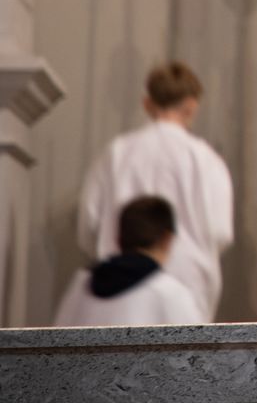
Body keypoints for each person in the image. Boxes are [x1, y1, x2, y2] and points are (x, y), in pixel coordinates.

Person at [77, 62, 234, 321]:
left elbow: (89, 224)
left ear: (147, 103)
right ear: (191, 106)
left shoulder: (116, 153)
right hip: (187, 285)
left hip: (121, 288)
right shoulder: (206, 160)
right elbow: (220, 232)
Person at [55, 195, 204, 326]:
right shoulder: (170, 293)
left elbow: (56, 339)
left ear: (118, 239)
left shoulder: (83, 283)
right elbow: (198, 347)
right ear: (168, 239)